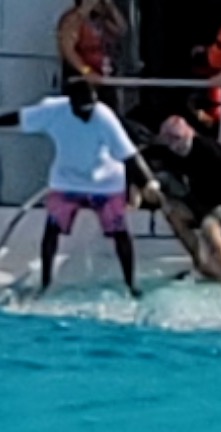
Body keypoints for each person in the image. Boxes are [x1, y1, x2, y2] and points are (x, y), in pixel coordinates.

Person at [0, 79, 161, 297]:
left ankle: (131, 284)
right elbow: (20, 117)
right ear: (70, 103)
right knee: (52, 229)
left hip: (106, 183)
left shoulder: (104, 116)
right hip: (67, 182)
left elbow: (130, 155)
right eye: (83, 109)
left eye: (91, 107)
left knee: (120, 233)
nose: (88, 115)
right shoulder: (53, 110)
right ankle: (45, 284)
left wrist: (148, 182)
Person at [140, 115, 221, 293]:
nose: (174, 145)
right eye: (168, 140)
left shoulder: (208, 149)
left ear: (189, 135)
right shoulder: (168, 151)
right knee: (172, 212)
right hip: (203, 198)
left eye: (177, 139)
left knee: (211, 230)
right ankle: (201, 262)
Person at [56, 0, 127, 82]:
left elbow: (121, 30)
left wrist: (110, 5)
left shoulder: (99, 19)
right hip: (81, 81)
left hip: (102, 78)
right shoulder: (72, 19)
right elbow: (68, 51)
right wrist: (87, 72)